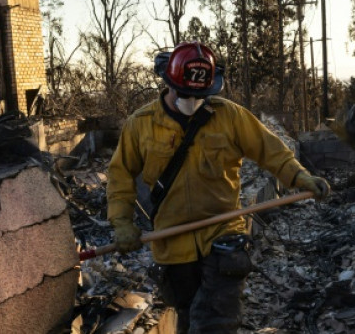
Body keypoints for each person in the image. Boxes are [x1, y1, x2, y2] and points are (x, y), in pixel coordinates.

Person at [106, 41, 331, 333]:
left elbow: (271, 151)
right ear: (169, 84)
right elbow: (120, 176)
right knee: (187, 317)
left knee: (215, 322)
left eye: (200, 95)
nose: (193, 101)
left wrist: (301, 178)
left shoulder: (230, 116)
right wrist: (122, 223)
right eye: (186, 93)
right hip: (173, 242)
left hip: (223, 234)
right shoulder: (141, 125)